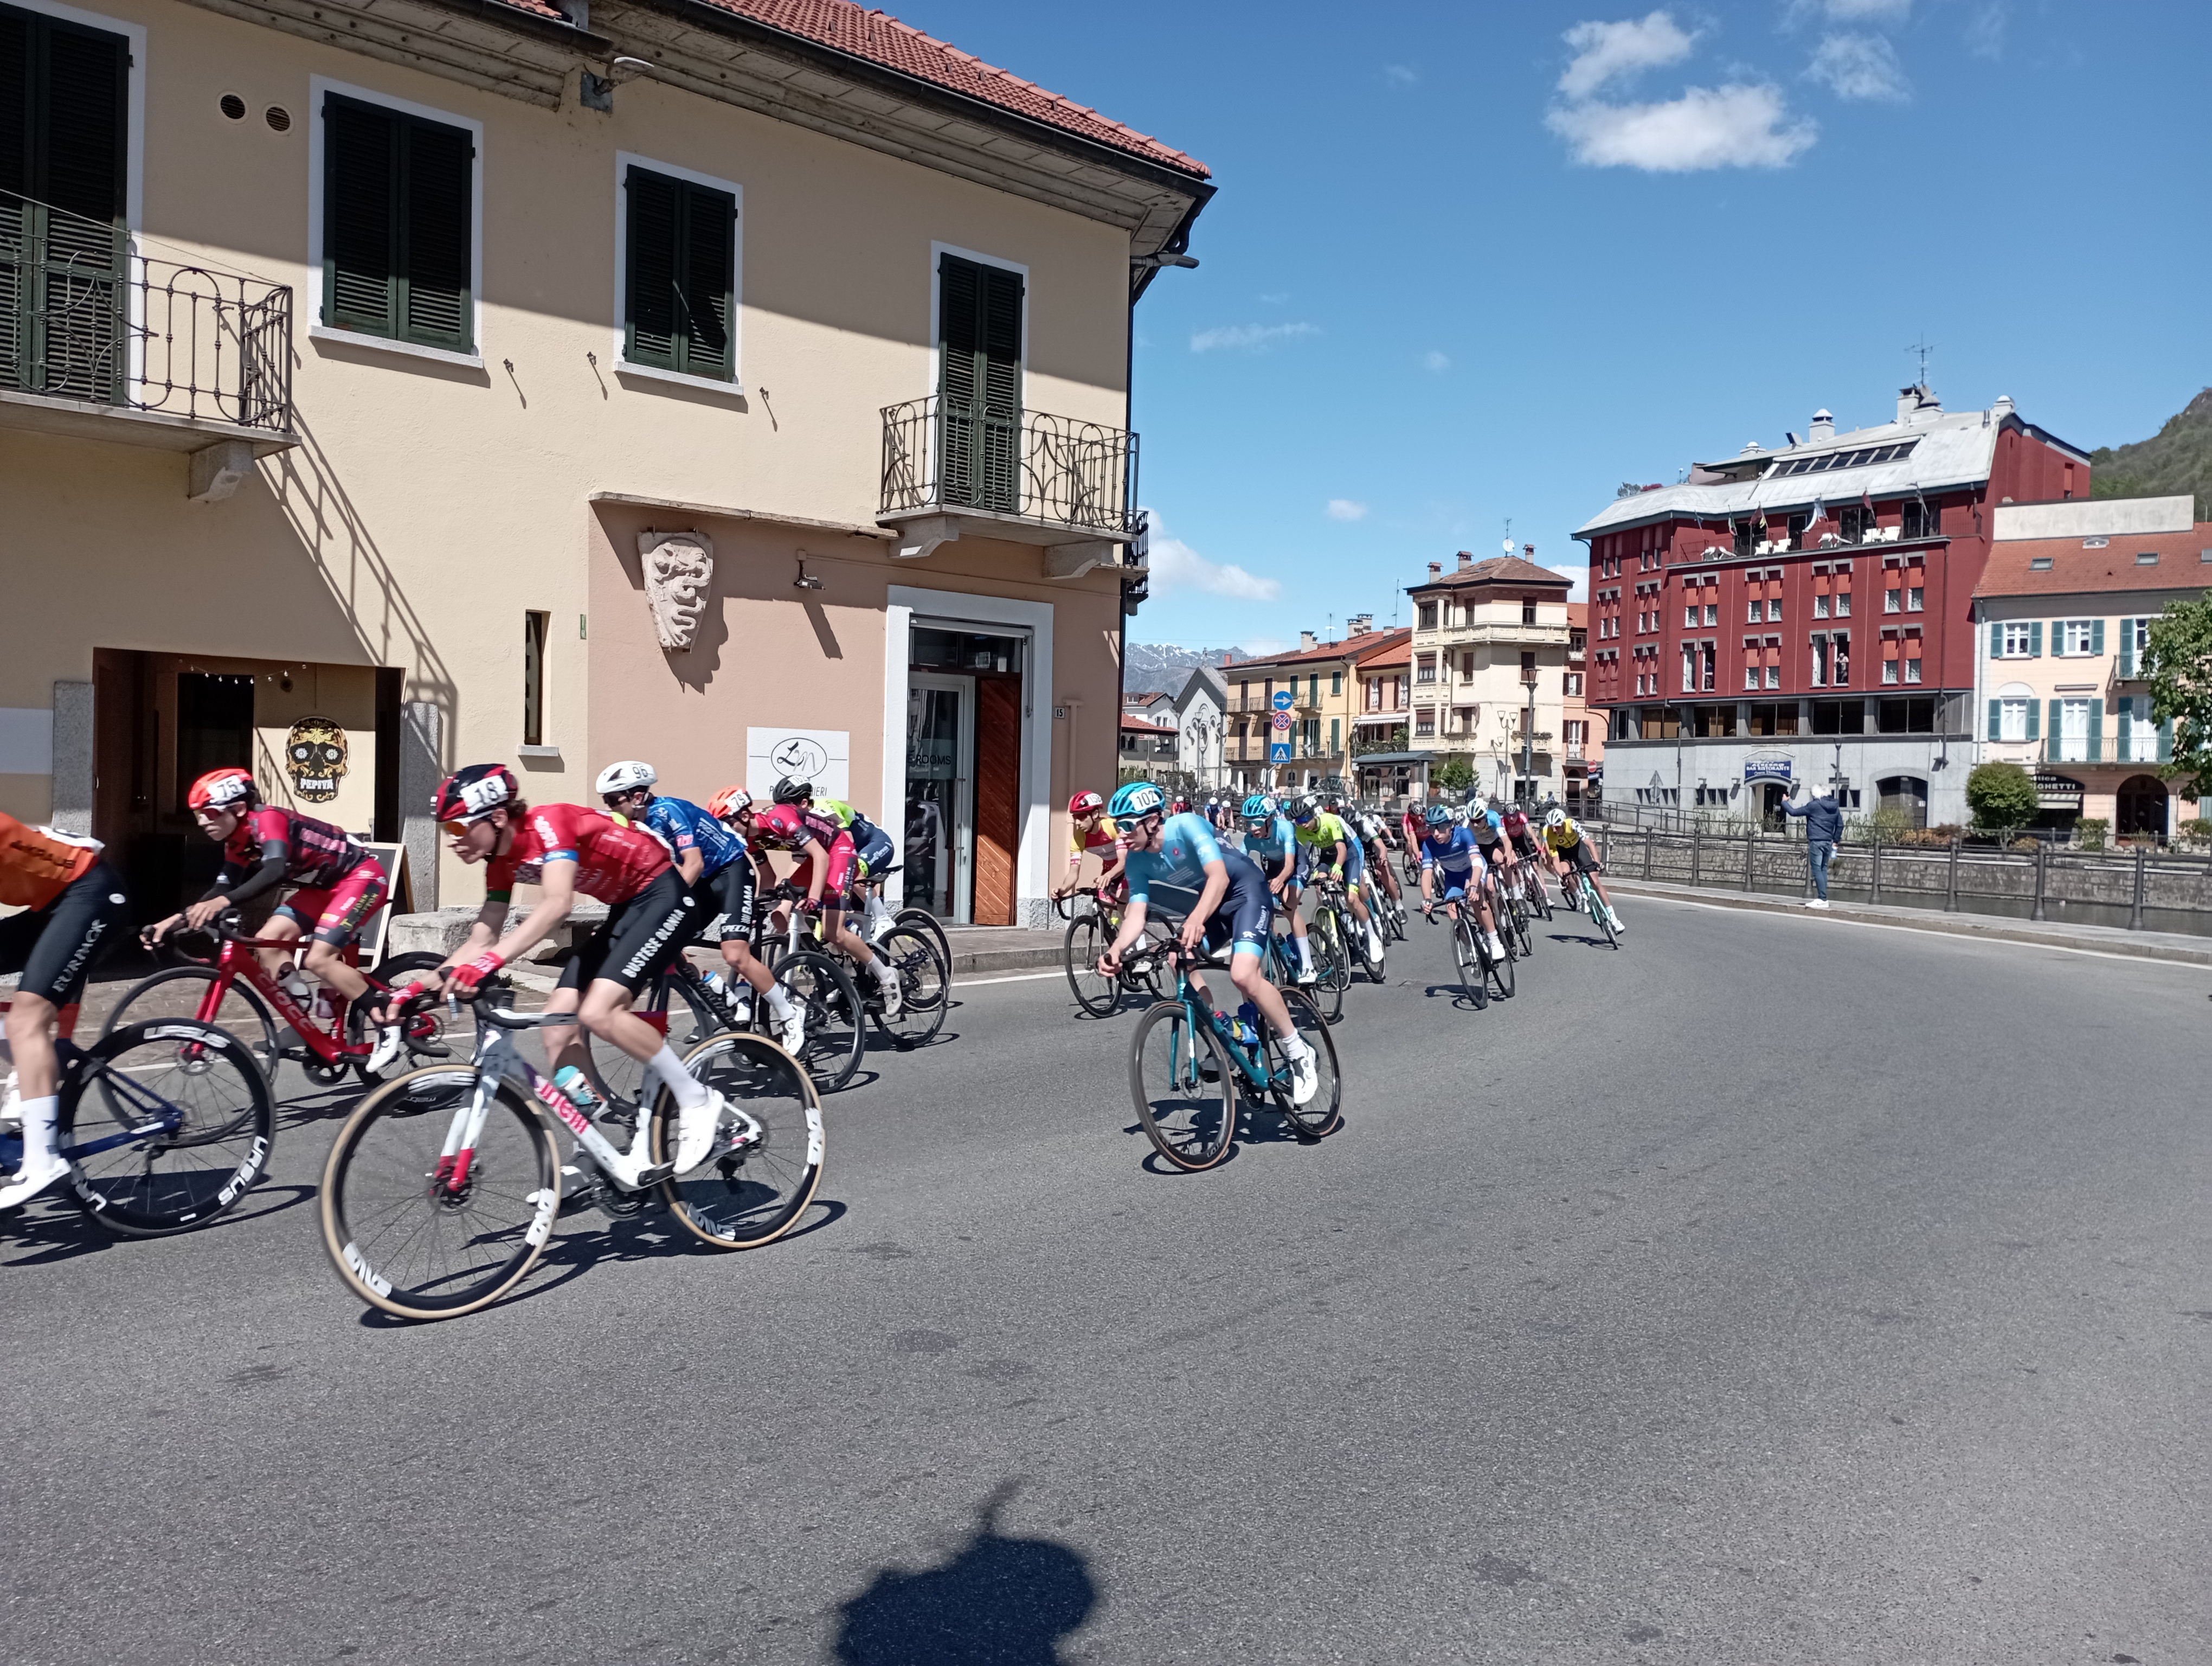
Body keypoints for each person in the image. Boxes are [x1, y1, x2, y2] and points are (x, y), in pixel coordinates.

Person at [384, 764, 744, 1183]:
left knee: (598, 1012)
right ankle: (594, 1149)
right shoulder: (499, 863)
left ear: (497, 817)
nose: (454, 843)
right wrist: (417, 986)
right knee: (557, 1025)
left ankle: (698, 1100)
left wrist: (487, 966)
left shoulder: (549, 825)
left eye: (459, 830)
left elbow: (558, 904)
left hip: (665, 893)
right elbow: (481, 938)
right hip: (627, 909)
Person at [1096, 782, 1316, 1103]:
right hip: (1213, 903)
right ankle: (1219, 1036)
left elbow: (1220, 878)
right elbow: (1136, 913)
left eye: (1127, 826)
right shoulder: (1136, 859)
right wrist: (1117, 950)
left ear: (1153, 821)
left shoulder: (1186, 825)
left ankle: (1299, 1051)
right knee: (1178, 959)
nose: (1122, 835)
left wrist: (1196, 920)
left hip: (1246, 892)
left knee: (1243, 974)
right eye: (1118, 827)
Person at [147, 768, 389, 1030]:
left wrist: (224, 903)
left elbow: (275, 869)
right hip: (324, 888)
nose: (201, 822)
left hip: (361, 878)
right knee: (267, 944)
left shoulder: (267, 819)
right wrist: (174, 922)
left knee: (318, 959)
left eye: (210, 813)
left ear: (239, 809)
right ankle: (303, 1021)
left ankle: (388, 1016)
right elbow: (220, 891)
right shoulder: (237, 842)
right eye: (197, 815)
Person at [597, 763, 803, 1054]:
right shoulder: (632, 825)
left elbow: (694, 863)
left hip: (730, 869)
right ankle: (717, 993)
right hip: (703, 881)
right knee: (663, 943)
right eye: (606, 802)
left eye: (613, 800)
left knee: (735, 954)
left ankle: (790, 1015)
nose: (609, 808)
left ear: (638, 797)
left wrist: (663, 908)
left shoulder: (668, 812)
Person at [0, 813, 129, 1209]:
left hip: (91, 894)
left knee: (27, 1019)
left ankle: (43, 1161)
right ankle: (26, 1075)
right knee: (25, 1028)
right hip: (54, 898)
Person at [753, 795, 903, 1016]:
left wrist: (814, 897)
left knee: (834, 931)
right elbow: (767, 878)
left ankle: (887, 975)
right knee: (787, 905)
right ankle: (835, 970)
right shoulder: (746, 838)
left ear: (744, 817)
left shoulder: (781, 817)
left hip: (838, 850)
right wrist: (759, 907)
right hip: (817, 856)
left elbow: (822, 858)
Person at [1290, 795, 1384, 965]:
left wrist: (1338, 868)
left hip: (1351, 852)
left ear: (1313, 814)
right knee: (1320, 885)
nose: (1303, 823)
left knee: (1352, 899)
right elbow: (1302, 857)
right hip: (1328, 855)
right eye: (1298, 821)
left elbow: (1342, 849)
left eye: (1305, 818)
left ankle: (1373, 936)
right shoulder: (1301, 831)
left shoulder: (1329, 820)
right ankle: (1334, 918)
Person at [1238, 792, 1314, 983]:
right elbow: (1239, 864)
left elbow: (1289, 866)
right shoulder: (1250, 839)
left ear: (1270, 819)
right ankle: (1286, 951)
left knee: (1289, 906)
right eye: (1249, 823)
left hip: (1296, 864)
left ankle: (1308, 966)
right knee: (1266, 913)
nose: (1253, 828)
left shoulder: (1285, 828)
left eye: (1257, 822)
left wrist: (1281, 880)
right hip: (1274, 867)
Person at [1417, 804, 1508, 962]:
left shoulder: (1464, 834)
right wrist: (1427, 899)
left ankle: (1494, 940)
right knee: (1452, 911)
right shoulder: (1428, 845)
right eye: (1431, 829)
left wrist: (1474, 885)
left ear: (1451, 825)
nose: (1436, 834)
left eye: (1441, 828)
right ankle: (1471, 949)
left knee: (1475, 898)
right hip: (1453, 877)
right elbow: (1427, 873)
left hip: (1473, 870)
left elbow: (1477, 863)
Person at [1542, 806, 1623, 932]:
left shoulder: (1572, 824)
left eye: (1557, 827)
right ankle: (1580, 897)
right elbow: (1555, 860)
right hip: (1564, 853)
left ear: (1563, 824)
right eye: (1552, 826)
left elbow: (1590, 843)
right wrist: (1561, 876)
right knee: (1566, 874)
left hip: (1578, 848)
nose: (1554, 829)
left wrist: (1597, 862)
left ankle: (1614, 919)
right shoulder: (1550, 834)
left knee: (1595, 882)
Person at [1054, 790, 1128, 905]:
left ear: (1095, 814)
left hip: (1130, 867)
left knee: (1123, 907)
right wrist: (1062, 891)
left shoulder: (1112, 827)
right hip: (1109, 869)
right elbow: (1074, 873)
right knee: (1102, 905)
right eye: (1075, 818)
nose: (1077, 823)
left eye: (1082, 817)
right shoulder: (1079, 837)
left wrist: (1107, 876)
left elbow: (1123, 862)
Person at [1781, 781, 1844, 908]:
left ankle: (1822, 899)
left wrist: (1784, 802)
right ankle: (1823, 898)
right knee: (1823, 869)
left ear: (1816, 794)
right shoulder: (1835, 807)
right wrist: (1835, 841)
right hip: (1828, 842)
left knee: (1816, 870)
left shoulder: (1814, 806)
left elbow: (1793, 812)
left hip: (1816, 840)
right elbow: (1840, 825)